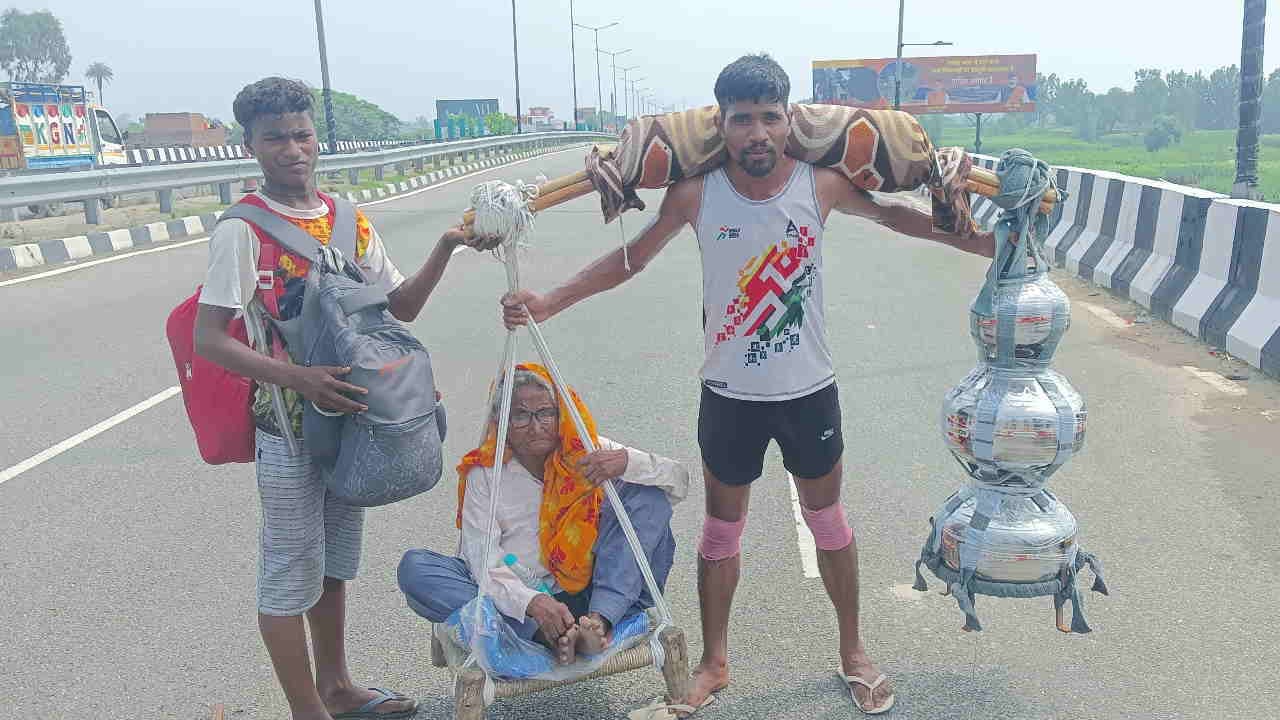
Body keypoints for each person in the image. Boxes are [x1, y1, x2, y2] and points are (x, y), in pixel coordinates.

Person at [501, 54, 994, 715]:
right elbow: (631, 259)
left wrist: (985, 246)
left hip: (808, 391)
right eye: (742, 120)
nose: (757, 133)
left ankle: (853, 651)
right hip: (729, 397)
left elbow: (897, 217)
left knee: (828, 521)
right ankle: (714, 661)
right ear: (722, 125)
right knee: (720, 533)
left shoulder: (822, 184)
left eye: (769, 117)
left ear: (788, 121)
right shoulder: (697, 193)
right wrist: (552, 300)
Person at [194, 76, 495, 720]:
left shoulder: (349, 220)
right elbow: (210, 339)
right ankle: (308, 710)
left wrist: (446, 245)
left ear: (316, 138)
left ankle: (337, 687)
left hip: (355, 423)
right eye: (274, 137)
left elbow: (400, 308)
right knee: (287, 565)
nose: (292, 149)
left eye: (302, 134)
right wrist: (299, 379)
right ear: (250, 146)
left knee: (334, 562)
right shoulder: (242, 231)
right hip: (289, 426)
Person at [398, 363, 688, 664]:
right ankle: (548, 637)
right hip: (521, 609)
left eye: (546, 413)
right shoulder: (485, 473)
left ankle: (598, 624)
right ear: (502, 421)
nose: (536, 427)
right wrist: (532, 602)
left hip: (596, 594)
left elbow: (677, 480)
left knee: (648, 494)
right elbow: (481, 558)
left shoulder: (586, 449)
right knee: (417, 568)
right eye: (521, 415)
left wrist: (627, 463)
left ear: (562, 413)